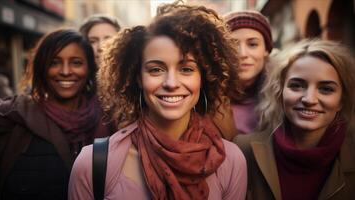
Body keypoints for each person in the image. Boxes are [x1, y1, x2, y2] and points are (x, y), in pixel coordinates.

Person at [69, 2, 247, 200]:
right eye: (156, 69)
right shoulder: (92, 163)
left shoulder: (232, 161)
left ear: (203, 77)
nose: (171, 83)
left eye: (186, 69)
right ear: (138, 77)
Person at [0, 29, 111, 200]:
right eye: (54, 62)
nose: (65, 71)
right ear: (42, 67)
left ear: (89, 68)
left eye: (76, 62)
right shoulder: (14, 116)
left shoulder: (108, 120)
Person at [235, 39, 355, 200]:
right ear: (280, 91)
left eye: (326, 89)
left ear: (341, 100)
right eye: (297, 86)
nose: (309, 99)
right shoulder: (243, 150)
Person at [213, 10, 273, 140]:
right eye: (232, 44)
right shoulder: (206, 100)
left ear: (266, 50)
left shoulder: (283, 98)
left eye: (252, 44)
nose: (242, 54)